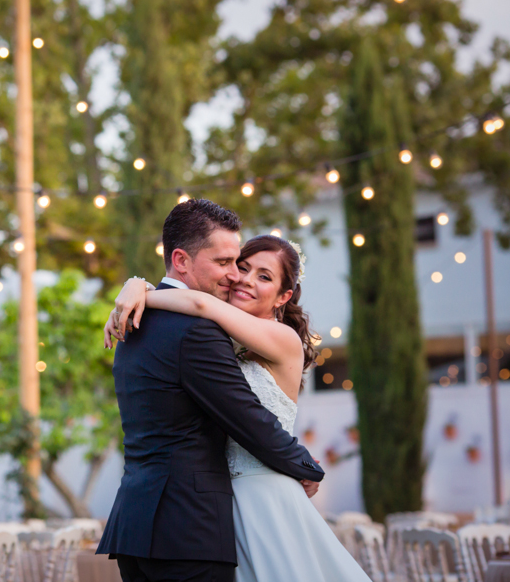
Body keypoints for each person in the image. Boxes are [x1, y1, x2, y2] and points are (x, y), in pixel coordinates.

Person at [102, 204, 371, 582]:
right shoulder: (200, 330)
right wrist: (304, 464)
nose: (238, 278)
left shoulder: (138, 323)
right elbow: (247, 417)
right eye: (236, 265)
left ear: (283, 296)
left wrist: (139, 289)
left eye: (262, 276)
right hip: (194, 521)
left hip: (218, 508)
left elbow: (199, 304)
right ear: (182, 259)